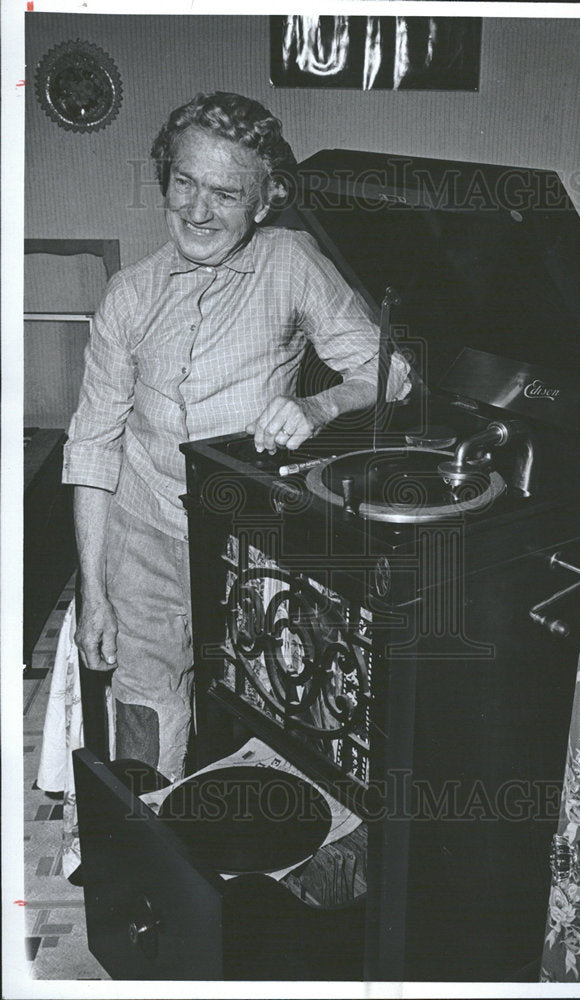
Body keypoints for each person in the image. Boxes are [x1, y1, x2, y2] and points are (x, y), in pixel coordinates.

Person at [63, 92, 409, 782]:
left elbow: (390, 372)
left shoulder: (291, 261)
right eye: (184, 182)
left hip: (249, 537)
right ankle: (149, 834)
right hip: (142, 531)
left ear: (263, 200)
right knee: (144, 703)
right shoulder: (129, 294)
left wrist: (318, 406)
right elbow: (94, 447)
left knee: (270, 703)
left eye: (225, 193)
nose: (198, 210)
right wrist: (94, 591)